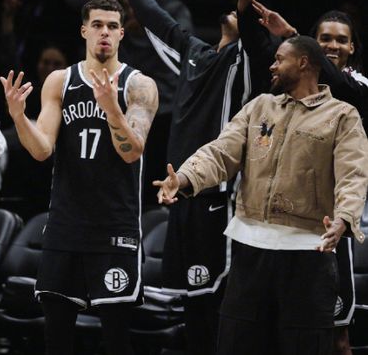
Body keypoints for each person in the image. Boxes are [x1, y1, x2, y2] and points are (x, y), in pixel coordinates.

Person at [100, 0, 295, 353]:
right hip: (182, 192)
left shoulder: (252, 61)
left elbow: (258, 18)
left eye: (243, 12)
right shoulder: (194, 54)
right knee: (192, 309)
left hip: (223, 197)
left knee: (221, 305)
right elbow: (152, 14)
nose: (238, 11)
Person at [154, 35, 368, 355]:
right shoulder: (259, 107)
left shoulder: (341, 115)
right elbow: (220, 152)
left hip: (307, 252)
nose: (272, 66)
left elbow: (353, 175)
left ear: (303, 63)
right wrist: (184, 178)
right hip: (250, 249)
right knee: (238, 344)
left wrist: (344, 218)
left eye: (280, 59)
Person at [1, 0, 158, 355]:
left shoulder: (139, 85)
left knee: (116, 339)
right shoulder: (60, 81)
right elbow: (41, 149)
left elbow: (132, 151)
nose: (105, 32)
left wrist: (112, 110)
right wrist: (19, 117)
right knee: (56, 337)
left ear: (122, 34)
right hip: (65, 225)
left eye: (113, 26)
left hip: (115, 226)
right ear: (84, 30)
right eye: (97, 25)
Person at [235, 0, 368, 355]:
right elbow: (260, 50)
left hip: (337, 213)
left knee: (337, 336)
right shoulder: (286, 93)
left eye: (341, 40)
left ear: (353, 47)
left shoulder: (358, 84)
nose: (333, 45)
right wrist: (245, 5)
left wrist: (295, 36)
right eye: (324, 39)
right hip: (290, 222)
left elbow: (341, 88)